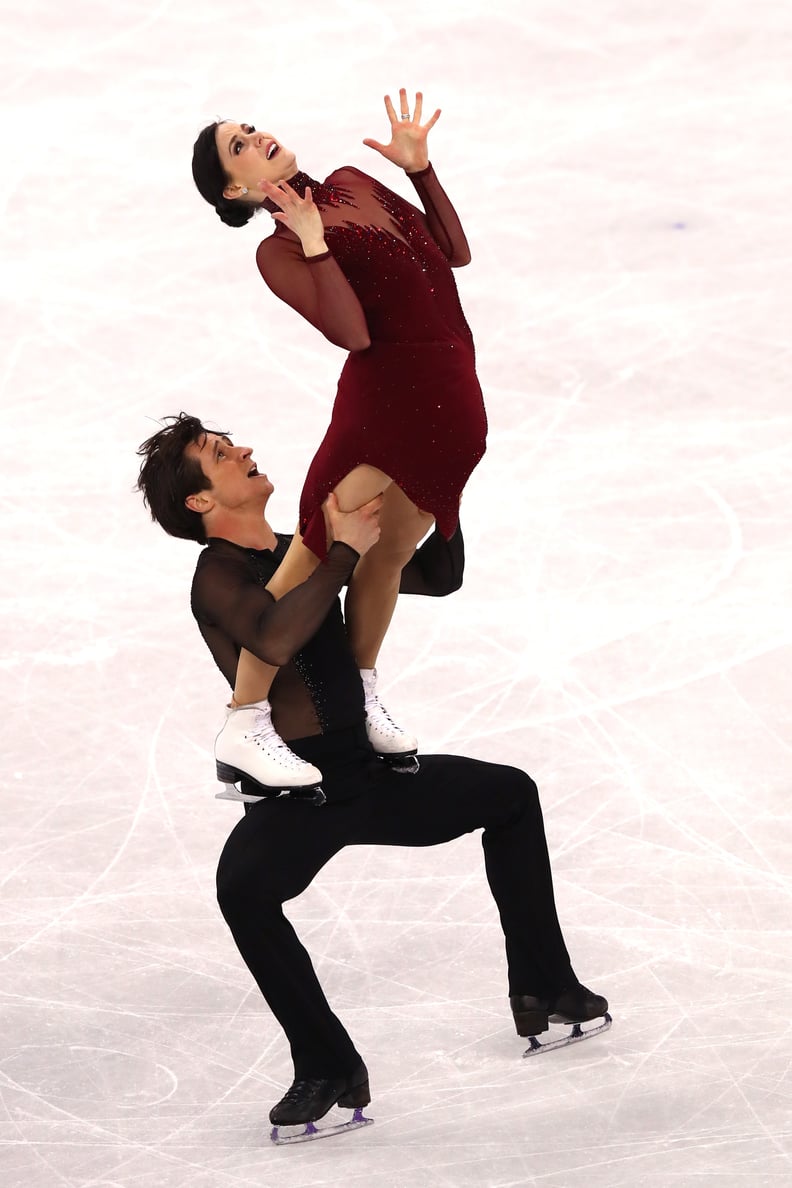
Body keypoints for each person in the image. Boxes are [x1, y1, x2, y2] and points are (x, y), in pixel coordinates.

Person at [136, 414, 610, 1139]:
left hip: (373, 773)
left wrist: (437, 506)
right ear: (201, 502)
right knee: (244, 891)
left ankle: (545, 986)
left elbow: (437, 577)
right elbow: (271, 634)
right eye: (223, 455)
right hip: (302, 790)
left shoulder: (309, 547)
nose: (246, 451)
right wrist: (341, 557)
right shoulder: (219, 577)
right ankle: (327, 1065)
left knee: (510, 795)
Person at [190, 89, 488, 796]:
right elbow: (353, 333)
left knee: (387, 554)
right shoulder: (281, 249)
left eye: (252, 127)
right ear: (237, 189)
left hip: (450, 390)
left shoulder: (355, 183)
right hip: (382, 408)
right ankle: (243, 721)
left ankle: (360, 695)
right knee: (319, 548)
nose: (257, 137)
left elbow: (454, 253)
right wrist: (316, 241)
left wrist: (420, 171)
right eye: (240, 146)